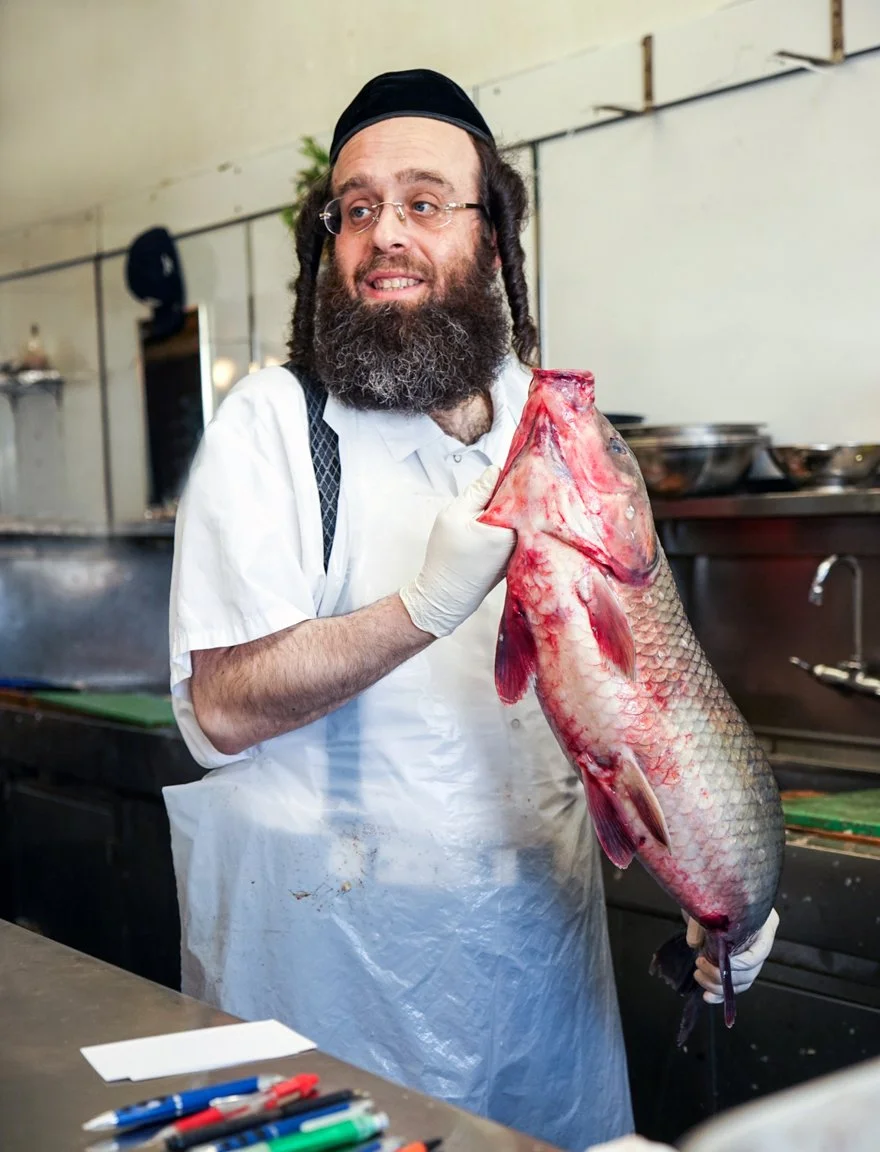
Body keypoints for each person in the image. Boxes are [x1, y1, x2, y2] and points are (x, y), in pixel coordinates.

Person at [163, 68, 778, 1152]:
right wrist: (420, 606)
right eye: (356, 209)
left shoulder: (555, 440)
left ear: (492, 236)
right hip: (323, 1012)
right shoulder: (272, 426)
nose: (383, 234)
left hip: (536, 1005)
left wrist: (724, 875)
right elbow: (218, 708)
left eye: (421, 201)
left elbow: (644, 692)